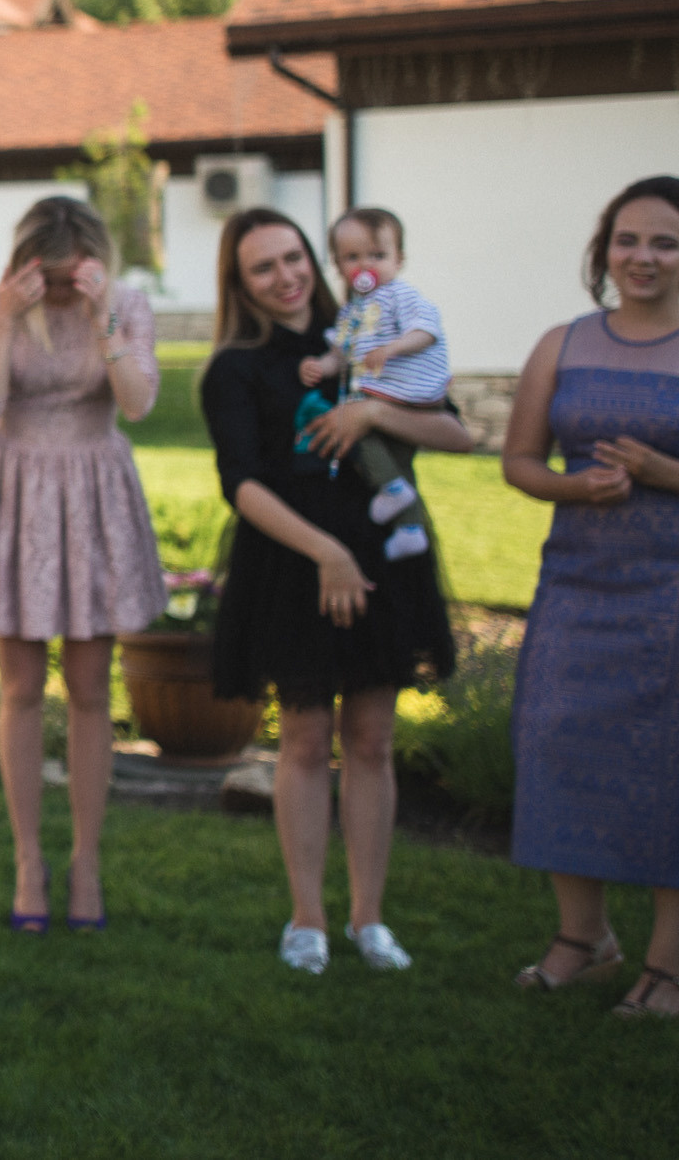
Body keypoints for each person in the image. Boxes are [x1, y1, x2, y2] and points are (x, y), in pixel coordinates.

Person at [201, 208, 471, 976]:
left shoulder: (369, 336)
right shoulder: (237, 368)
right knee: (306, 738)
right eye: (263, 267)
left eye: (293, 258)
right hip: (295, 565)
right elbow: (240, 483)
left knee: (373, 740)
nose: (285, 277)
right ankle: (308, 920)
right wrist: (326, 554)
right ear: (239, 283)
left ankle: (369, 919)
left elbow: (458, 434)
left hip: (385, 554)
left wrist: (376, 410)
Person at [0, 196, 163, 932]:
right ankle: (26, 861)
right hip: (17, 489)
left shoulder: (126, 305)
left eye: (76, 277)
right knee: (18, 687)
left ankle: (87, 862)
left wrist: (104, 321)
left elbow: (138, 403)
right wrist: (9, 317)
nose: (65, 290)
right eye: (55, 276)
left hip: (94, 490)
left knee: (90, 689)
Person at [501, 175, 679, 1017]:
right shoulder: (562, 343)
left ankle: (668, 967)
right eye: (627, 240)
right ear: (604, 249)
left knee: (668, 764)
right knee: (555, 745)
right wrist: (575, 489)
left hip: (671, 594)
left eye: (666, 243)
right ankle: (585, 939)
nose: (644, 258)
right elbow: (519, 461)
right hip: (577, 586)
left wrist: (665, 474)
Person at [300, 207, 453, 560]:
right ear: (338, 266)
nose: (365, 265)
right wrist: (320, 366)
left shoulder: (401, 296)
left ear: (399, 260)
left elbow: (426, 331)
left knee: (358, 432)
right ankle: (409, 529)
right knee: (395, 461)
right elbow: (341, 354)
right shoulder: (352, 312)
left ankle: (393, 491)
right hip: (384, 395)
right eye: (353, 257)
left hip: (407, 391)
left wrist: (393, 348)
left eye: (378, 256)